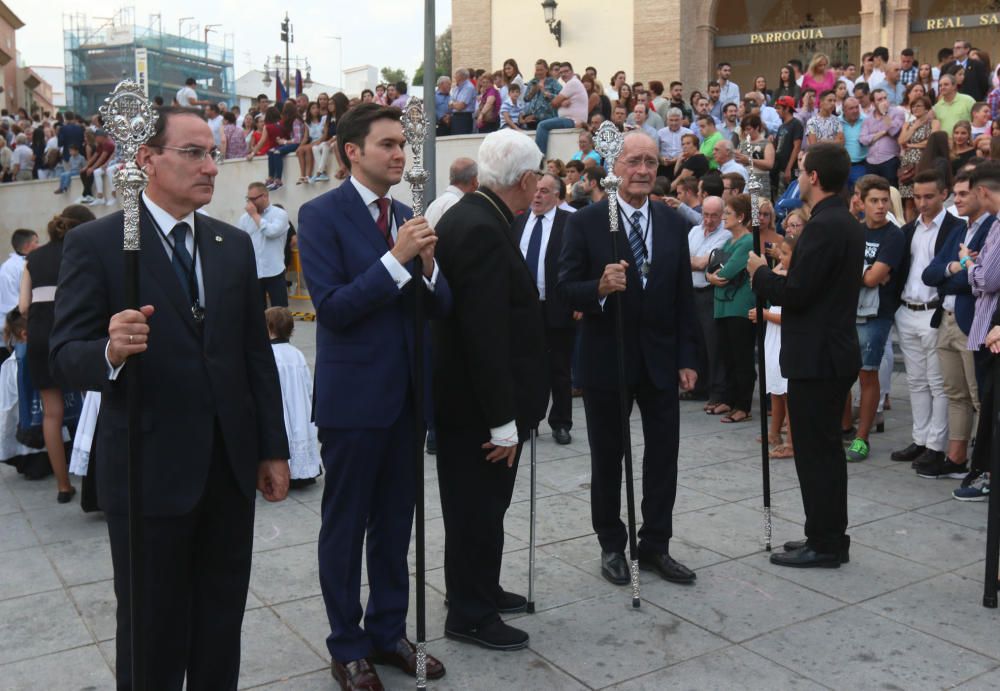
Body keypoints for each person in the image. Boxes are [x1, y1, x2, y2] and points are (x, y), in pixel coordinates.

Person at [49, 107, 290, 688]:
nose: (211, 166)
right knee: (152, 630)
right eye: (194, 153)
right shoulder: (98, 244)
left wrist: (272, 449)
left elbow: (254, 357)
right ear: (147, 160)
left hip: (227, 472)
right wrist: (109, 350)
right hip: (148, 472)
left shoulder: (231, 245)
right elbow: (63, 355)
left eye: (213, 153)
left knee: (220, 620)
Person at [297, 103, 450, 688]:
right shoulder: (320, 216)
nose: (398, 154)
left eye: (402, 145)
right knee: (346, 525)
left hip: (408, 400)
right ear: (351, 151)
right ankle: (347, 644)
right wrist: (397, 260)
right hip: (354, 402)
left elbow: (442, 306)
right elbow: (332, 310)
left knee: (395, 525)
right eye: (386, 144)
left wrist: (431, 269)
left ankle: (389, 633)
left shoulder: (410, 215)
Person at [558, 130, 698, 588]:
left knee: (663, 457)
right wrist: (598, 288)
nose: (642, 171)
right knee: (608, 457)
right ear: (616, 165)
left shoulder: (674, 222)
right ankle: (612, 544)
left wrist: (687, 356)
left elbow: (682, 297)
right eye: (634, 161)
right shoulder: (586, 221)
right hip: (606, 358)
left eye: (651, 162)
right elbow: (564, 289)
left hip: (659, 360)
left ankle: (655, 544)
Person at [431, 129, 545, 650]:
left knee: (485, 508)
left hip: (479, 404)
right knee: (475, 509)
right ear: (524, 180)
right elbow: (484, 332)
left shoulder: (482, 215)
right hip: (478, 411)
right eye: (539, 174)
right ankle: (470, 614)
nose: (542, 182)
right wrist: (503, 421)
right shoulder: (480, 227)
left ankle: (480, 590)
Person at [748, 142, 864, 568]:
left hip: (819, 356)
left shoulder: (825, 226)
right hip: (828, 351)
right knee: (824, 452)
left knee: (817, 454)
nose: (797, 176)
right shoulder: (840, 222)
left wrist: (759, 274)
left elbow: (797, 294)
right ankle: (825, 533)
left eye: (800, 170)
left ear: (813, 176)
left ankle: (827, 543)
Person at [890, 170, 965, 472]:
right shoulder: (910, 229)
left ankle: (936, 445)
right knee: (916, 381)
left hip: (936, 312)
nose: (922, 202)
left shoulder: (956, 227)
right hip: (907, 310)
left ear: (944, 194)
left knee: (938, 384)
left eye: (929, 196)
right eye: (918, 196)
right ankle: (920, 440)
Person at [921, 168, 993, 484]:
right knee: (955, 394)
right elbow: (931, 273)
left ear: (981, 193)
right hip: (947, 320)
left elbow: (981, 280)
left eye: (964, 193)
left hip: (974, 322)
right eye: (956, 193)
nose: (958, 199)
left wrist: (955, 273)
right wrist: (957, 265)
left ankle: (985, 466)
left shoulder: (993, 227)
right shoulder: (960, 229)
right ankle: (956, 458)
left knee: (980, 397)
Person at [19, 206, 93, 503]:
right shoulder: (84, 251)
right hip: (76, 335)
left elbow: (24, 307)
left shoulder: (32, 259)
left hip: (40, 338)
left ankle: (63, 486)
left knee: (52, 413)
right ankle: (96, 479)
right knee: (94, 404)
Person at [844, 175, 905, 463]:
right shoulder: (854, 230)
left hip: (876, 314)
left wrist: (864, 273)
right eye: (874, 201)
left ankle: (862, 437)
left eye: (885, 201)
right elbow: (845, 270)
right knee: (843, 374)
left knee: (868, 374)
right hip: (848, 310)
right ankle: (844, 427)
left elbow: (872, 279)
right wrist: (866, 272)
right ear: (861, 203)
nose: (881, 206)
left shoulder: (894, 235)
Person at [511, 172, 576, 444]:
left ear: (558, 197)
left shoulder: (569, 223)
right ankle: (528, 420)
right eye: (536, 190)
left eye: (545, 191)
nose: (537, 195)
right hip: (523, 309)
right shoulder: (518, 221)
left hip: (557, 305)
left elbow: (577, 262)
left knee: (559, 367)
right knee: (525, 365)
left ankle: (561, 422)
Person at [955, 161, 1000, 500]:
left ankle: (987, 473)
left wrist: (969, 263)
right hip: (986, 326)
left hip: (992, 331)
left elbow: (987, 279)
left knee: (990, 403)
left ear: (982, 192)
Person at [705, 194, 756, 423]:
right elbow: (712, 267)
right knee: (727, 357)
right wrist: (711, 275)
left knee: (741, 358)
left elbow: (725, 272)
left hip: (739, 307)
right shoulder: (729, 241)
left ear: (741, 217)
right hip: (723, 307)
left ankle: (743, 405)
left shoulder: (747, 242)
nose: (724, 218)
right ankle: (729, 399)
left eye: (727, 214)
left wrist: (713, 276)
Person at [264, 306, 321, 487]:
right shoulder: (297, 354)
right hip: (300, 406)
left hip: (280, 407)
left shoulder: (269, 356)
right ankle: (305, 472)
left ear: (269, 329)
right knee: (299, 431)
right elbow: (307, 384)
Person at [751, 233, 794, 458]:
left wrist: (765, 314)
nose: (781, 256)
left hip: (784, 331)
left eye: (786, 254)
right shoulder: (780, 271)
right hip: (773, 333)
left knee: (787, 391)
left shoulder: (797, 278)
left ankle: (791, 443)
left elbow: (793, 315)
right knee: (776, 387)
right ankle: (774, 432)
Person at [686, 197, 730, 405]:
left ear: (722, 215)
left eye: (714, 215)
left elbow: (705, 263)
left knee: (714, 345)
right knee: (697, 343)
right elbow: (682, 258)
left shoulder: (725, 235)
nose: (709, 220)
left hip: (710, 293)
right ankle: (700, 387)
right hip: (691, 292)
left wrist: (694, 261)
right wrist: (694, 261)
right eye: (705, 214)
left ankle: (718, 392)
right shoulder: (695, 231)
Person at [237, 182, 290, 307]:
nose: (250, 203)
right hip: (254, 272)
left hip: (275, 271)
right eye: (248, 199)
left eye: (253, 199)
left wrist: (255, 215)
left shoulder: (280, 214)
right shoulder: (244, 219)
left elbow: (271, 232)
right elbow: (240, 243)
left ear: (265, 196)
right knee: (257, 312)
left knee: (280, 311)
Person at [898, 95, 939, 219]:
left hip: (924, 163)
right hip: (908, 165)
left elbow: (932, 141)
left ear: (927, 108)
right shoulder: (907, 124)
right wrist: (914, 127)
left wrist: (912, 144)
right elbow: (901, 140)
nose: (915, 108)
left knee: (924, 198)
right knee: (909, 201)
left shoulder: (934, 123)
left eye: (919, 106)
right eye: (913, 106)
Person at [535, 62, 588, 155]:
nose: (563, 74)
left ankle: (539, 156)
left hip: (572, 121)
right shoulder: (573, 83)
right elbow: (556, 102)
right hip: (571, 119)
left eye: (566, 71)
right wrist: (562, 103)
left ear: (572, 72)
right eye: (561, 72)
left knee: (542, 125)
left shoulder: (572, 83)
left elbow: (554, 103)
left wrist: (560, 102)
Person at [860, 89, 906, 186]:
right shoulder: (868, 118)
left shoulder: (897, 113)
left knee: (891, 190)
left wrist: (885, 114)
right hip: (871, 161)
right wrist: (882, 133)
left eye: (885, 98)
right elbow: (863, 139)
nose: (883, 101)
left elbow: (893, 131)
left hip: (889, 159)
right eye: (879, 99)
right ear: (873, 103)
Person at [425, 158, 478, 228]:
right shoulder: (459, 206)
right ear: (474, 181)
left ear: (450, 178)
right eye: (477, 178)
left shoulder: (434, 204)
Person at [0, 229, 38, 316]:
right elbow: (9, 302)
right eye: (36, 242)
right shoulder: (9, 268)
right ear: (27, 246)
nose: (39, 246)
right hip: (14, 321)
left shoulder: (32, 262)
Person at [772, 96, 803, 193]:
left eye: (779, 108)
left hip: (790, 169)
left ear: (787, 109)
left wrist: (788, 169)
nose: (777, 111)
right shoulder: (782, 126)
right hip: (779, 168)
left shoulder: (796, 124)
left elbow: (797, 147)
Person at [520, 59, 561, 132]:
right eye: (537, 70)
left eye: (541, 70)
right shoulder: (532, 82)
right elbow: (526, 99)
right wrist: (533, 91)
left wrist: (545, 92)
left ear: (546, 70)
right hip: (532, 120)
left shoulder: (553, 82)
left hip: (548, 119)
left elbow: (560, 98)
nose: (539, 72)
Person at [450, 68, 479, 135]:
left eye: (455, 75)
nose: (454, 77)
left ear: (461, 76)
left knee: (461, 139)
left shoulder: (468, 87)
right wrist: (454, 104)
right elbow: (450, 102)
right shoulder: (456, 88)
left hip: (464, 118)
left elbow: (461, 106)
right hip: (456, 117)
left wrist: (452, 104)